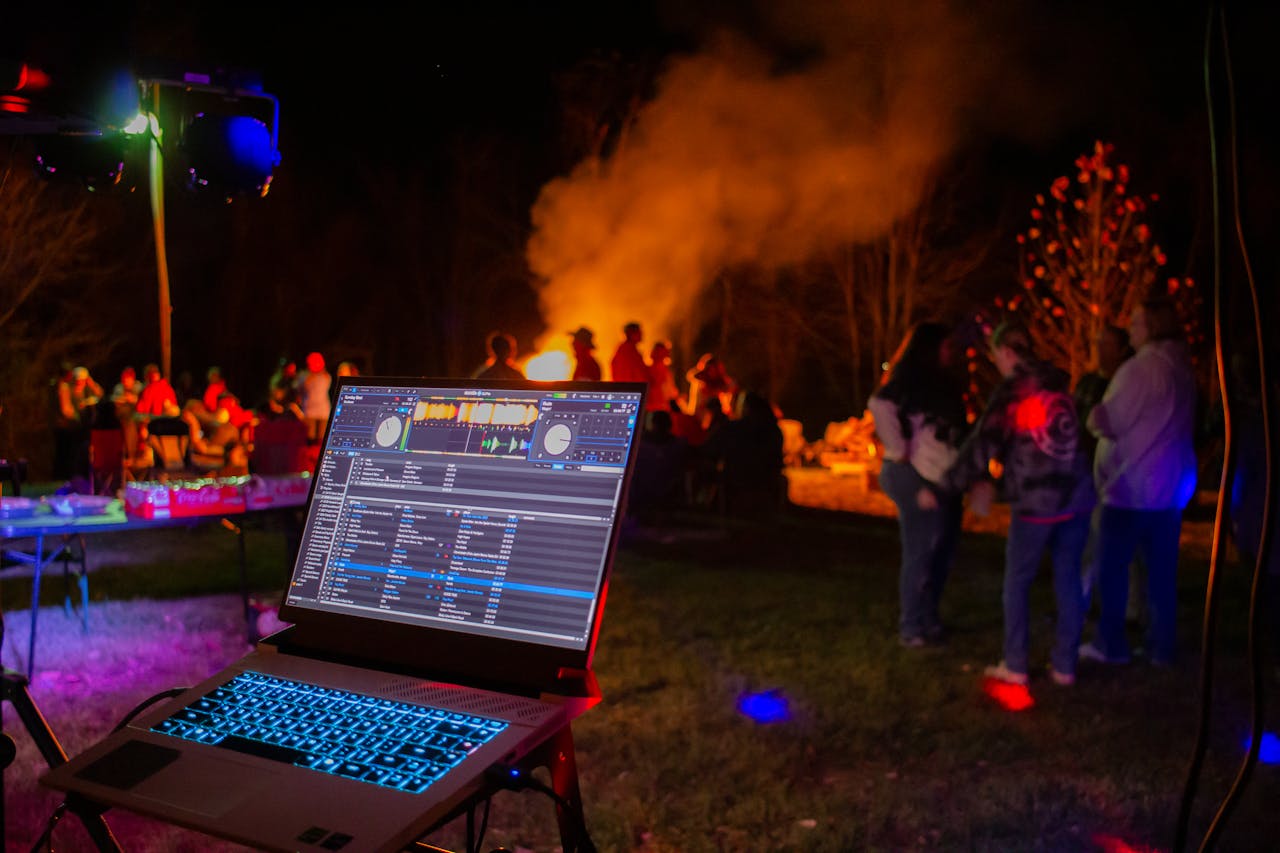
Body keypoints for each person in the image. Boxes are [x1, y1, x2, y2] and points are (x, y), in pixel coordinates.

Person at [931, 320, 1095, 686]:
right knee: (1068, 578)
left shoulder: (1013, 391)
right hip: (1076, 497)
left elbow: (982, 443)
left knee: (1018, 582)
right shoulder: (1060, 386)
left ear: (1005, 352)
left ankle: (1016, 664)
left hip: (1036, 502)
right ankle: (1065, 666)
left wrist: (947, 485)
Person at [1081, 297, 1197, 667]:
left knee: (1113, 569)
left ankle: (1110, 642)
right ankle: (1162, 645)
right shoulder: (1183, 368)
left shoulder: (1139, 370)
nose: (1130, 330)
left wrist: (1091, 415)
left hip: (1131, 487)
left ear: (1153, 327)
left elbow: (1108, 420)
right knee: (1161, 574)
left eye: (1136, 324)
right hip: (1169, 488)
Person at [868, 322, 969, 648]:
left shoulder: (947, 387)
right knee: (920, 551)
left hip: (946, 479)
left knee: (942, 552)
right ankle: (911, 624)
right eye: (945, 346)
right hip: (916, 476)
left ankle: (928, 616)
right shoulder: (905, 385)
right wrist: (898, 450)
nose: (950, 353)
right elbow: (880, 405)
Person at [1074, 325, 1136, 604]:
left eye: (1108, 344)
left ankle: (1127, 603)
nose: (1101, 350)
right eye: (1098, 343)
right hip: (1086, 473)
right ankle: (1082, 598)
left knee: (1120, 541)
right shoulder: (1087, 383)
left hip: (1117, 475)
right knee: (1084, 540)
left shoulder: (1126, 385)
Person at [686, 354, 738, 429]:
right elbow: (698, 407)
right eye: (710, 369)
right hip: (702, 421)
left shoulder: (725, 383)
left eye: (716, 369)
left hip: (722, 420)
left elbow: (732, 388)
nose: (713, 372)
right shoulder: (700, 384)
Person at [295, 351, 333, 443]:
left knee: (322, 439)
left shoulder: (325, 376)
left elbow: (326, 383)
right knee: (309, 438)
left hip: (323, 411)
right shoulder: (304, 376)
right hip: (309, 411)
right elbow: (300, 389)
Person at [646, 340, 682, 413]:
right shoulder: (650, 369)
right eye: (658, 351)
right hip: (656, 406)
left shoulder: (665, 370)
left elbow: (669, 389)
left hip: (664, 405)